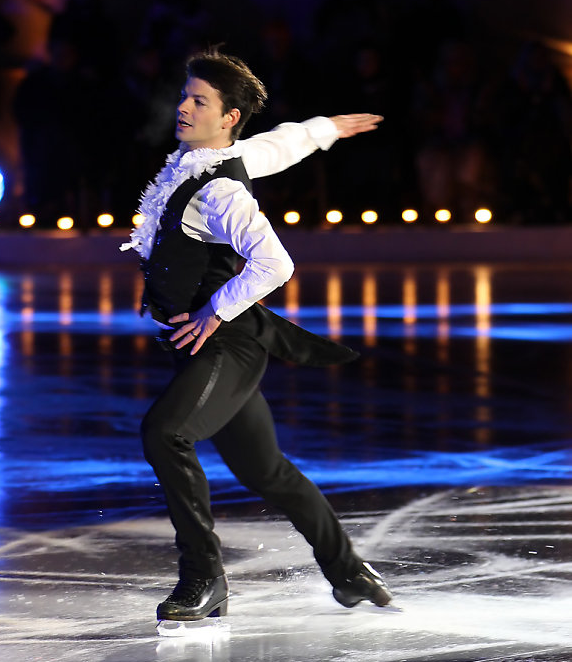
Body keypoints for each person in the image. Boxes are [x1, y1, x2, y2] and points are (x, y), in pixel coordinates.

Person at [122, 49, 392, 623]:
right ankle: (349, 571)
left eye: (200, 101)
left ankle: (203, 578)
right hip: (205, 346)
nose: (184, 107)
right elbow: (276, 146)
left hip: (227, 346)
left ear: (228, 117)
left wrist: (216, 310)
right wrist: (326, 129)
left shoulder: (220, 191)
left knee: (164, 434)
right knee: (265, 470)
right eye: (184, 95)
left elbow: (275, 264)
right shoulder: (202, 161)